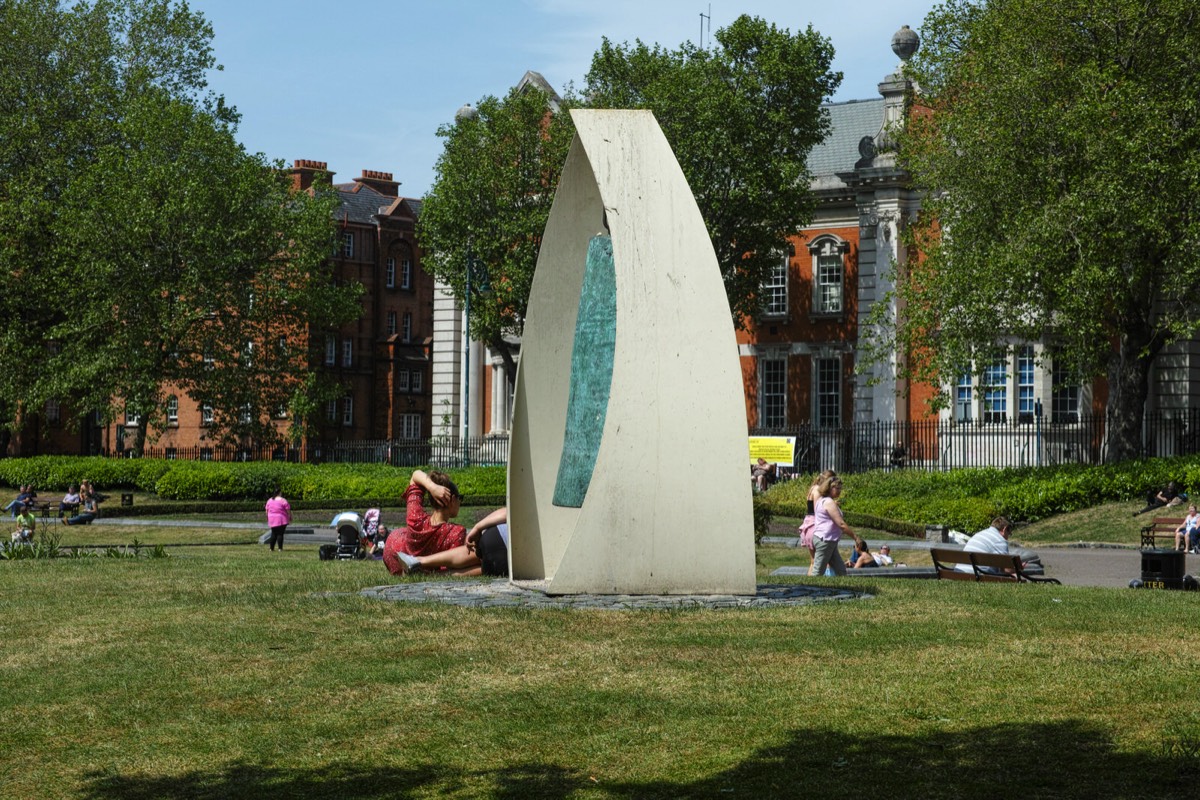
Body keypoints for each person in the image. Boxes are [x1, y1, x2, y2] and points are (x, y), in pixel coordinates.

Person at [382, 469, 468, 576]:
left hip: (393, 554)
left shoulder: (416, 518)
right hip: (402, 558)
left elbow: (415, 476)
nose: (460, 502)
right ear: (453, 499)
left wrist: (432, 487)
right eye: (460, 498)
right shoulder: (456, 532)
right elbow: (451, 564)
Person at [392, 507, 510, 577]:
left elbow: (508, 512)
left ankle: (418, 561)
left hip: (496, 537)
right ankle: (432, 575)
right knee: (483, 568)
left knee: (472, 552)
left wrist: (477, 527)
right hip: (505, 564)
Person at [809, 475, 854, 577]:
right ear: (829, 488)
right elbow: (841, 524)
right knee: (817, 572)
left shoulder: (825, 500)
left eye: (840, 488)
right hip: (825, 540)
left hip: (829, 541)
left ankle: (844, 589)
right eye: (837, 488)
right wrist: (856, 537)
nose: (839, 491)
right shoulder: (828, 502)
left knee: (841, 570)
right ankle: (810, 590)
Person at [956, 516, 1022, 575]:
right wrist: (1018, 568)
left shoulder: (979, 534)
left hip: (960, 572)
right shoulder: (999, 540)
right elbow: (1006, 569)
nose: (1007, 538)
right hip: (977, 574)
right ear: (1004, 529)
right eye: (1009, 534)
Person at [798, 469, 836, 563]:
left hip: (808, 522)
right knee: (820, 562)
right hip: (814, 525)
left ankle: (812, 577)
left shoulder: (813, 487)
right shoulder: (818, 491)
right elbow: (818, 510)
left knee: (813, 561)